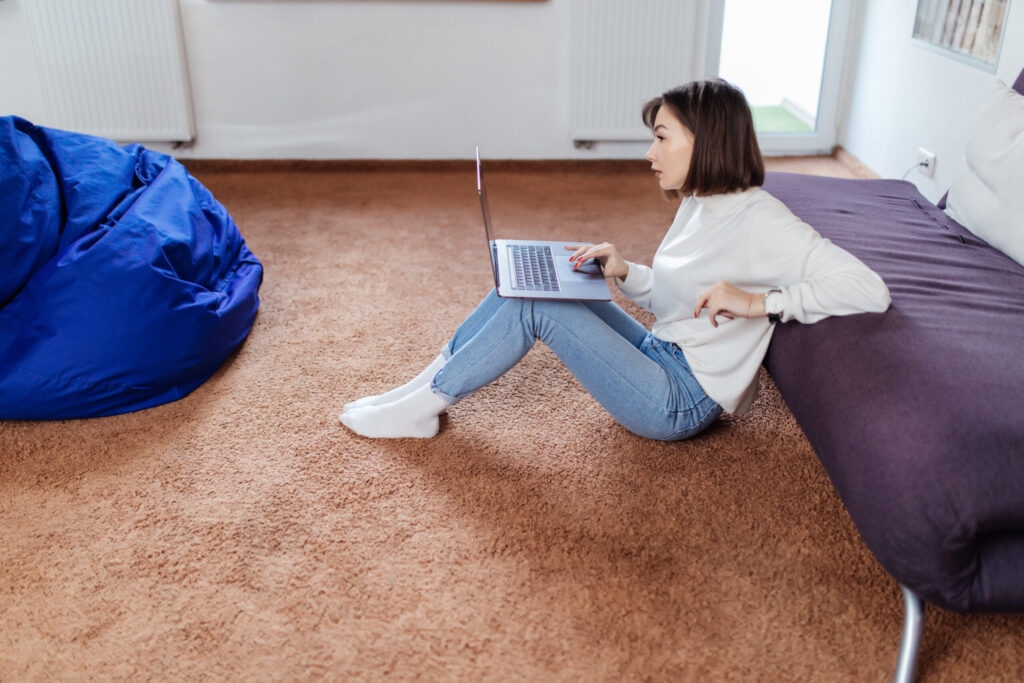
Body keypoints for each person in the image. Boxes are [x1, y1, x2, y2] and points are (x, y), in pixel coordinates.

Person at [340, 79, 891, 440]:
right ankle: (423, 388)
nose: (649, 154)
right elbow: (677, 296)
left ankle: (424, 405)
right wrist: (626, 271)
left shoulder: (761, 220)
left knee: (538, 311)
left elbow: (867, 288)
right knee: (534, 283)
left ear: (705, 142)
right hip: (661, 349)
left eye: (661, 138)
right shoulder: (702, 201)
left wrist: (756, 303)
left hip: (680, 400)